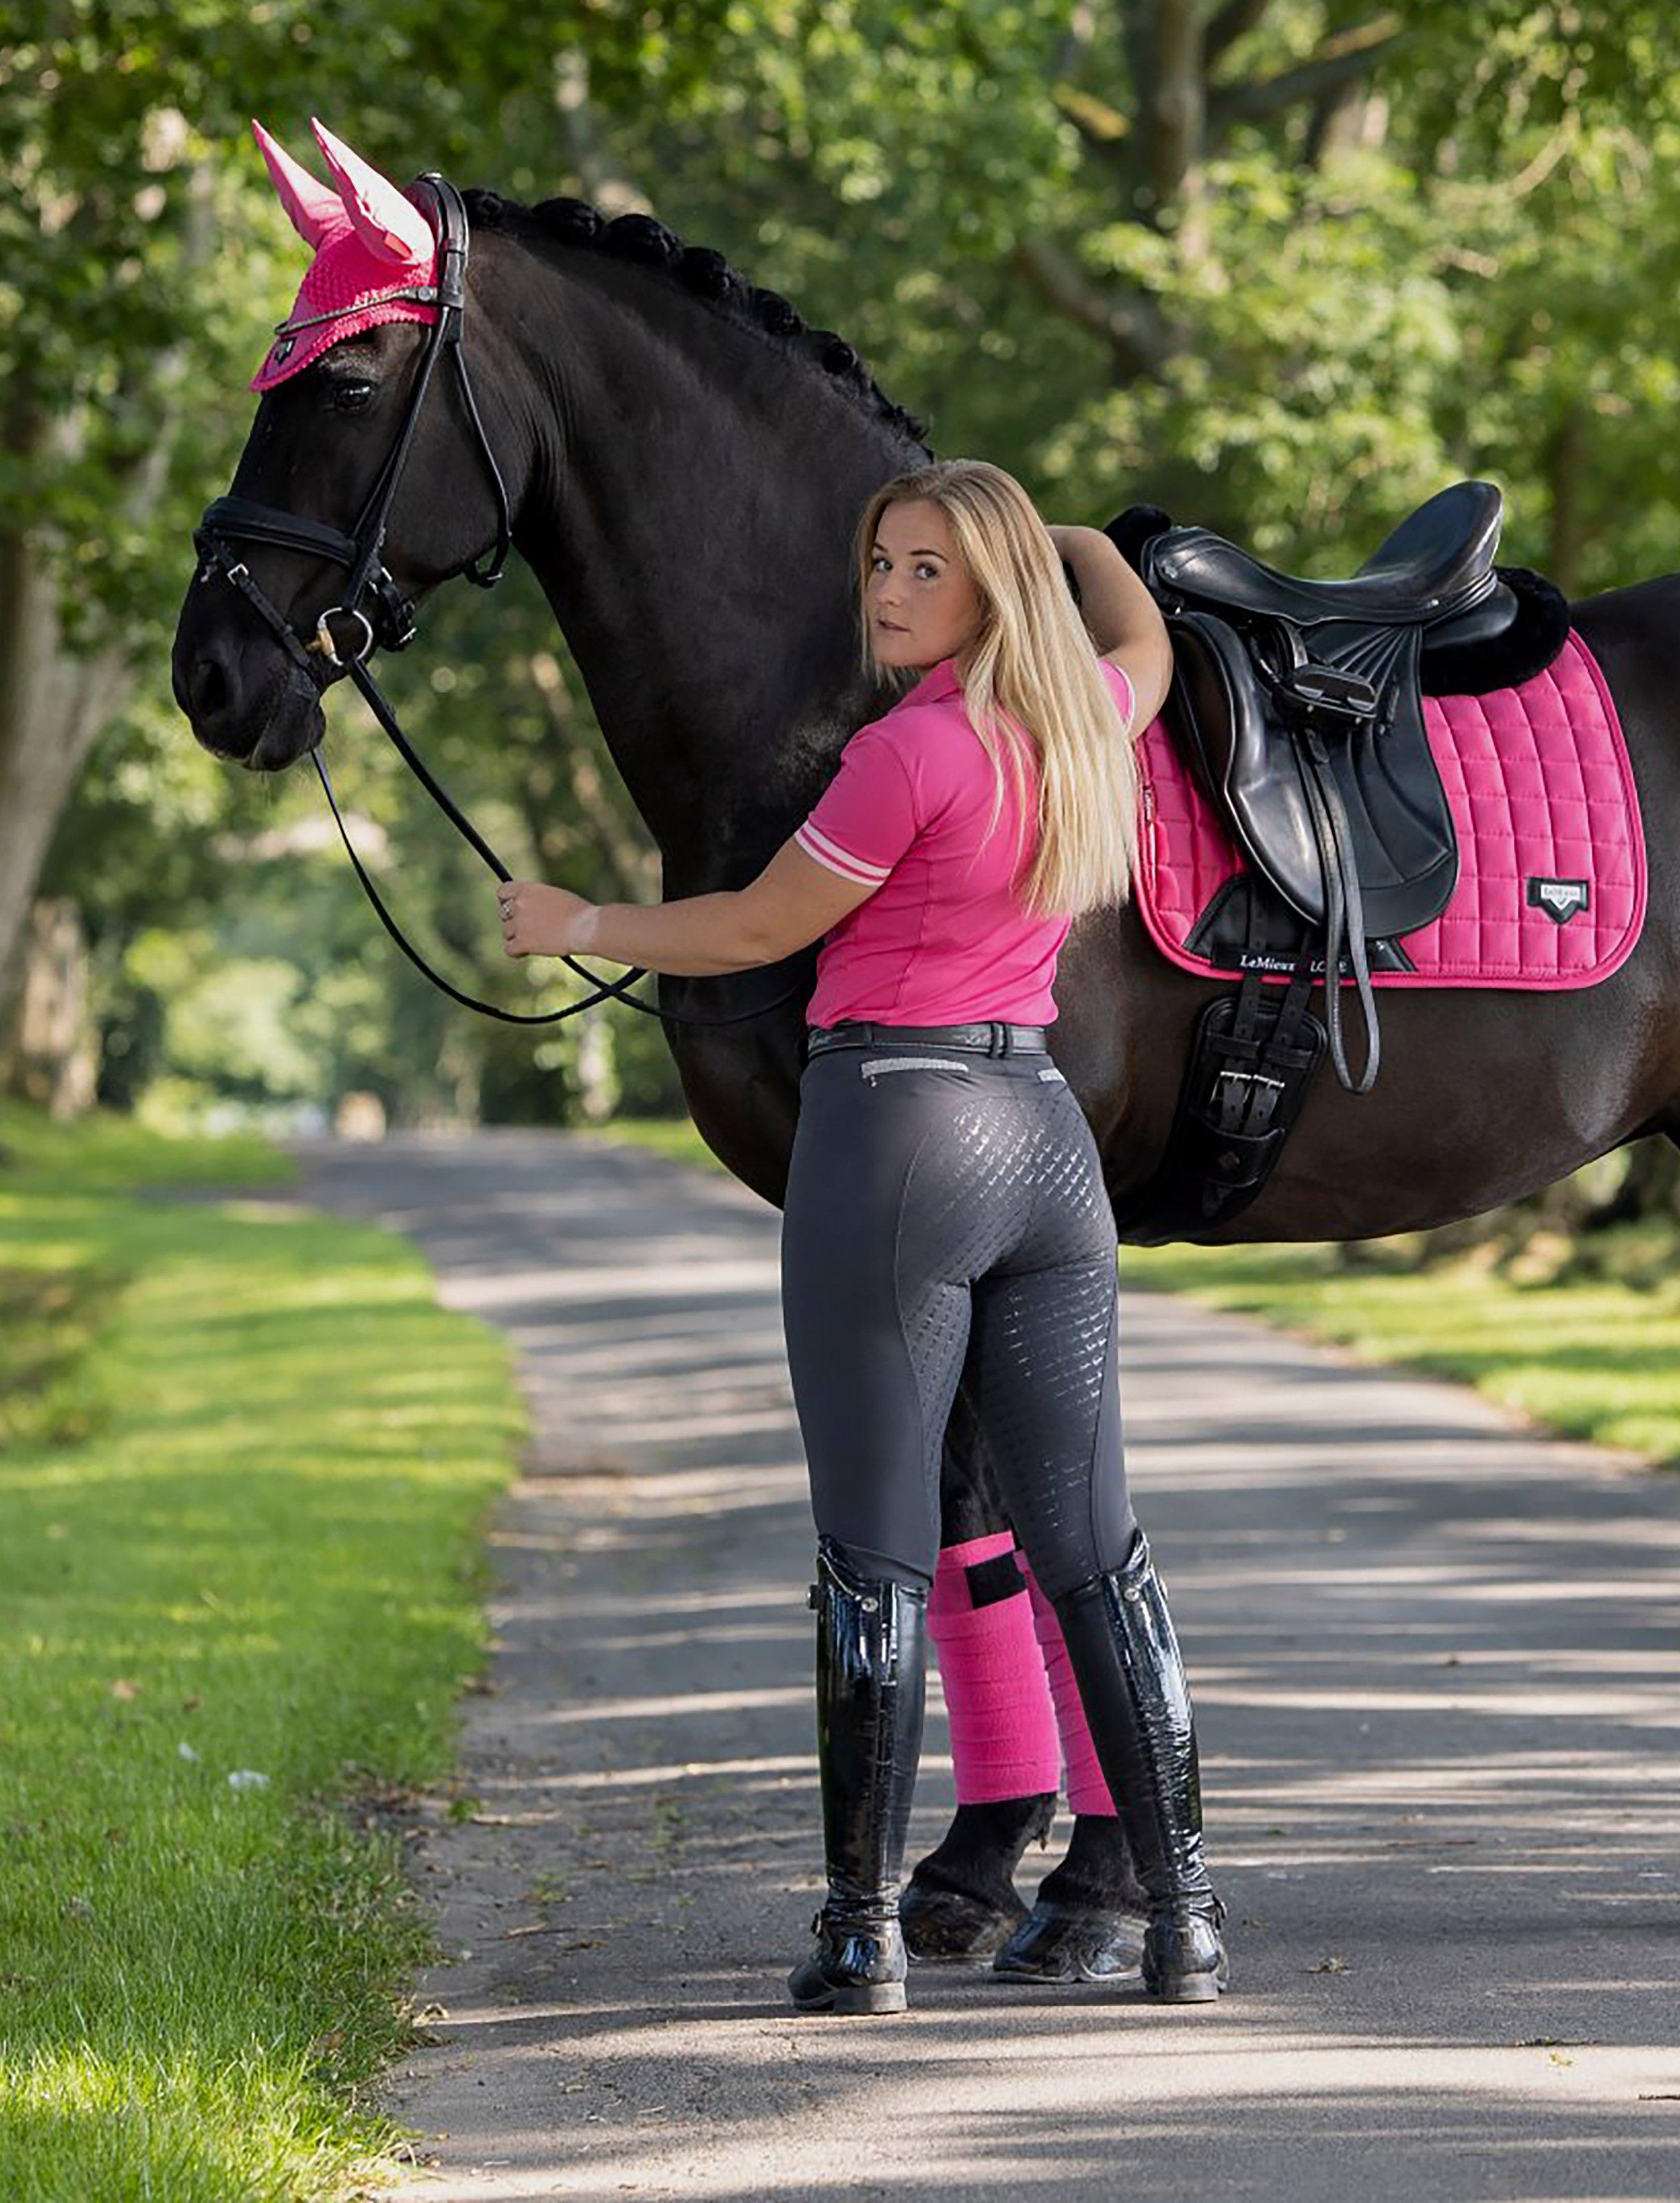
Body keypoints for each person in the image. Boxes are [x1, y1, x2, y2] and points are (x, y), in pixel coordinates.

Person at [496, 459, 1226, 2013]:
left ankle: (860, 1929)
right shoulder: (1088, 724)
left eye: (925, 571)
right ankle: (1185, 1920)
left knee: (873, 1551)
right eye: (882, 562)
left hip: (895, 1138)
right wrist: (1081, 544)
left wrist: (581, 925)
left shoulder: (913, 751)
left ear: (986, 592)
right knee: (1094, 1545)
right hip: (1044, 1147)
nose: (887, 593)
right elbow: (1146, 641)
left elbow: (758, 924)